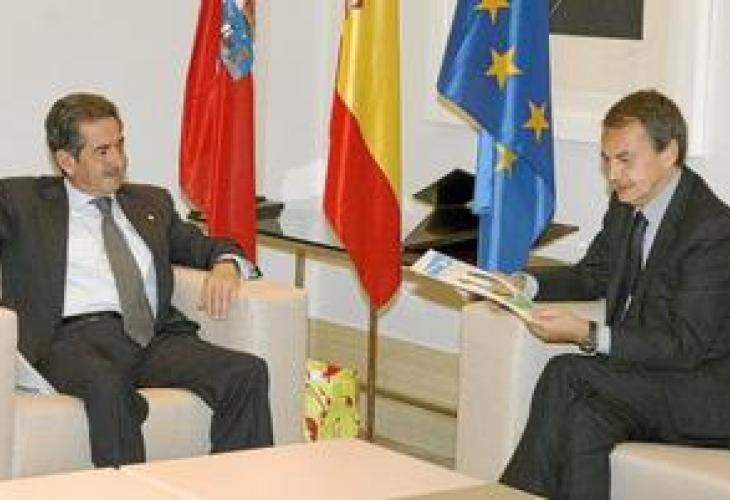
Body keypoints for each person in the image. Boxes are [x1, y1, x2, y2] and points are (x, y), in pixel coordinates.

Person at [0, 92, 273, 467]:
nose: (118, 160)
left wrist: (226, 264)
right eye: (102, 151)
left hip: (151, 337)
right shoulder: (22, 202)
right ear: (66, 161)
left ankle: (235, 485)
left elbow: (203, 246)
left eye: (119, 145)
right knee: (107, 384)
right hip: (69, 339)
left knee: (246, 373)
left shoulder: (150, 202)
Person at [499, 89, 730, 499]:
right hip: (646, 378)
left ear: (669, 152)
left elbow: (686, 346)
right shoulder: (626, 204)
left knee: (567, 372)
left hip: (704, 392)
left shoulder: (711, 229)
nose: (612, 174)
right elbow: (594, 274)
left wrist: (589, 334)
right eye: (606, 160)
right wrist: (525, 284)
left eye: (625, 159)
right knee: (587, 418)